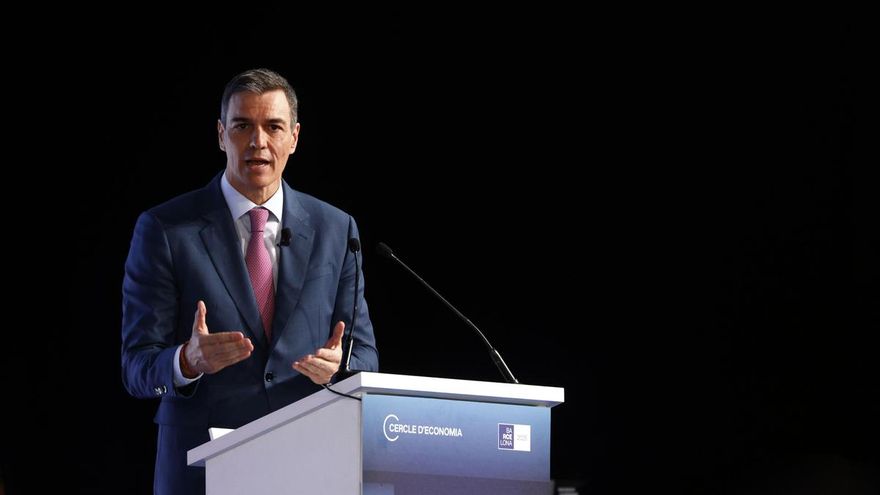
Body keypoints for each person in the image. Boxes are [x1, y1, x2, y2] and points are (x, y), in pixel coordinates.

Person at [121, 68, 379, 494]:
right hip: (201, 469)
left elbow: (365, 355)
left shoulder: (336, 229)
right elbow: (136, 365)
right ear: (221, 135)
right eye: (243, 126)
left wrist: (340, 368)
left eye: (273, 127)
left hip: (309, 463)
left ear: (294, 138)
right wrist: (186, 361)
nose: (258, 141)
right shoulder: (166, 229)